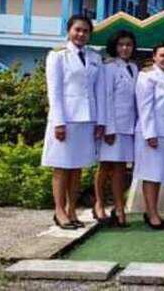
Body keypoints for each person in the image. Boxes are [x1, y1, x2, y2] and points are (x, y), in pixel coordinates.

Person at [42, 15, 105, 230]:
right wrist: (59, 122)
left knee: (77, 167)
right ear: (69, 31)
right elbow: (55, 91)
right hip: (66, 119)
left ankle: (71, 209)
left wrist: (100, 121)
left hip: (87, 119)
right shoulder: (57, 55)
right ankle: (59, 211)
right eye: (77, 30)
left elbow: (99, 91)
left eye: (85, 31)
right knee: (61, 166)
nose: (81, 34)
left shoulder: (95, 57)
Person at [134, 42, 164, 230]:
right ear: (154, 57)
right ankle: (152, 213)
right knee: (151, 174)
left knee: (160, 173)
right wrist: (150, 134)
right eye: (162, 55)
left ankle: (153, 211)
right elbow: (144, 106)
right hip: (153, 132)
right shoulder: (147, 76)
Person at [94, 30, 138, 228]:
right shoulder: (109, 67)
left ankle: (119, 207)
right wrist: (108, 127)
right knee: (105, 166)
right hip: (112, 125)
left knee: (121, 168)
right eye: (121, 45)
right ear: (115, 46)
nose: (125, 48)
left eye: (129, 44)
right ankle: (99, 203)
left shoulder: (134, 68)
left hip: (128, 125)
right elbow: (106, 97)